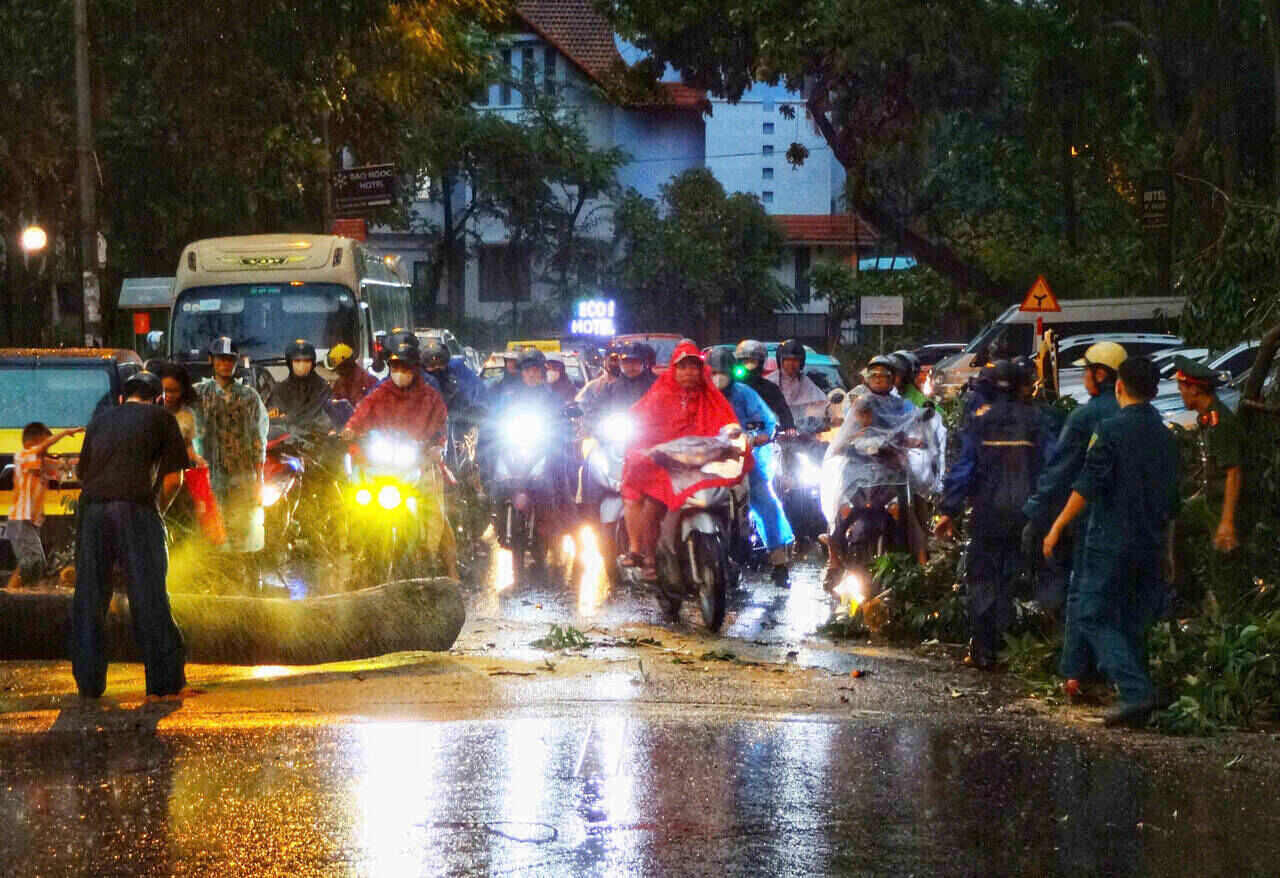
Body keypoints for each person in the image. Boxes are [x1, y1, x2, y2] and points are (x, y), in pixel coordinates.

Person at [1043, 357, 1179, 727]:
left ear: (1119, 385)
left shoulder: (1111, 430)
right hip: (1149, 540)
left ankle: (1136, 691)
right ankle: (1137, 700)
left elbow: (1088, 485)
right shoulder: (1166, 435)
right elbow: (1171, 501)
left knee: (1093, 614)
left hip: (1111, 539)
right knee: (1132, 617)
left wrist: (1057, 524)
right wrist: (1168, 552)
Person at [71, 370, 190, 700]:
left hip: (93, 510)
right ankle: (164, 686)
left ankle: (89, 685)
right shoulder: (162, 418)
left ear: (123, 398)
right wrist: (154, 516)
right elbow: (172, 481)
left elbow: (84, 474)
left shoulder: (100, 420)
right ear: (158, 399)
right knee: (148, 594)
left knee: (89, 598)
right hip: (134, 509)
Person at [1022, 340, 1126, 695]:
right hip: (1131, 521)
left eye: (1086, 370)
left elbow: (1061, 470)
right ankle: (1113, 672)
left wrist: (1036, 512)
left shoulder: (1085, 417)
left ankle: (1074, 673)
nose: (1083, 377)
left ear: (1101, 375)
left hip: (1089, 517)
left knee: (1081, 591)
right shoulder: (1137, 413)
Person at [936, 361, 1049, 669]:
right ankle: (1006, 644)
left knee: (983, 576)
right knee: (1011, 576)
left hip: (988, 512)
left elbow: (965, 467)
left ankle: (984, 647)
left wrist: (948, 509)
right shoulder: (1036, 418)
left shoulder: (981, 420)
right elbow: (1050, 466)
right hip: (1026, 513)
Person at [621, 342, 743, 580]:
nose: (689, 372)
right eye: (683, 367)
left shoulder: (711, 396)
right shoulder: (660, 394)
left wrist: (734, 436)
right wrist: (646, 447)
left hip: (703, 465)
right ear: (673, 370)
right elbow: (638, 420)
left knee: (735, 497)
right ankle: (649, 557)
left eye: (694, 367)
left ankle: (731, 552)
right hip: (667, 466)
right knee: (654, 502)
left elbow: (727, 423)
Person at [345, 330, 456, 578]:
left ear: (415, 369)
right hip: (381, 466)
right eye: (395, 366)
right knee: (354, 500)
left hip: (417, 464)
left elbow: (440, 427)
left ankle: (438, 559)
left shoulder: (431, 397)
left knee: (434, 510)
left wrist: (437, 446)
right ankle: (357, 551)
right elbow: (360, 415)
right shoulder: (379, 394)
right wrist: (350, 430)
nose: (400, 372)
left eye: (405, 367)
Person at [709, 348, 794, 587]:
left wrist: (759, 436)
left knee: (766, 503)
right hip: (707, 463)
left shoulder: (744, 394)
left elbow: (766, 422)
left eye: (722, 372)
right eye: (713, 372)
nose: (718, 378)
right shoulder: (700, 396)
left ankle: (778, 561)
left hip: (742, 461)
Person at [193, 336, 270, 561]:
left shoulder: (249, 397)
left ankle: (242, 578)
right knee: (210, 530)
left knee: (242, 531)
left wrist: (259, 479)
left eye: (229, 360)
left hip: (241, 475)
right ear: (212, 360)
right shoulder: (198, 394)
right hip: (208, 475)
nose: (225, 364)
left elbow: (259, 438)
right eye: (220, 359)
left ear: (236, 362)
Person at [1174, 356, 1244, 553]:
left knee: (1225, 569)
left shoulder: (1220, 424)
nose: (1180, 394)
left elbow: (1233, 473)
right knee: (1171, 519)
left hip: (1222, 506)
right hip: (1210, 500)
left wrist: (1227, 522)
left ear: (1194, 389)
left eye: (1182, 388)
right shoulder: (1206, 417)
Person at [5, 422, 82, 589]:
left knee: (36, 564)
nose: (47, 449)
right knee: (31, 562)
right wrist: (65, 432)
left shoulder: (40, 462)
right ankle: (9, 596)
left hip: (31, 522)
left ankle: (23, 594)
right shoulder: (23, 456)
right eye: (44, 444)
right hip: (19, 519)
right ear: (31, 444)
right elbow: (43, 448)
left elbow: (63, 465)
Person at [265, 338, 333, 439]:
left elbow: (330, 421)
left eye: (307, 361)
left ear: (313, 363)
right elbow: (270, 421)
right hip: (286, 445)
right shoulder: (279, 390)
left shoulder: (324, 389)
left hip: (319, 445)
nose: (302, 365)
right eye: (297, 361)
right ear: (289, 363)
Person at [735, 339, 795, 431]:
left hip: (764, 436)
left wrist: (789, 427)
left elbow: (783, 410)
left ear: (761, 363)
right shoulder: (731, 387)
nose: (748, 366)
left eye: (753, 362)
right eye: (745, 362)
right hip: (735, 435)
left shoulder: (769, 388)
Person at [768, 339, 829, 426]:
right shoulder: (770, 381)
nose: (791, 364)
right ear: (781, 361)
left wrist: (818, 420)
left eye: (795, 360)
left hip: (802, 434)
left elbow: (821, 405)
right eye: (788, 360)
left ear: (801, 363)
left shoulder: (807, 384)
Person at [592, 341, 658, 417]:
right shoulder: (610, 388)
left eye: (635, 362)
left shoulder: (655, 387)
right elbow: (595, 410)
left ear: (644, 364)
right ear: (620, 364)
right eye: (626, 362)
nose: (631, 366)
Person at [578, 342, 623, 409]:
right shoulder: (594, 385)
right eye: (613, 359)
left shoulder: (630, 385)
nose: (616, 363)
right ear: (604, 360)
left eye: (621, 360)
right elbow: (580, 403)